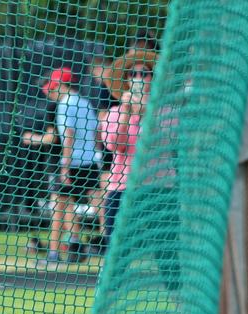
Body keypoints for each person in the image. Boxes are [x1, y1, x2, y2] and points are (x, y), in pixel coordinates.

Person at [21, 66, 103, 265]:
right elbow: (97, 134)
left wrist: (65, 167)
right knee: (98, 205)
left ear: (59, 85)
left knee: (59, 207)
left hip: (72, 162)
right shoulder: (85, 102)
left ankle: (54, 254)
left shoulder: (66, 104)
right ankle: (87, 246)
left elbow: (68, 136)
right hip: (90, 161)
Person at [98, 59, 153, 253]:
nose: (138, 78)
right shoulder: (114, 113)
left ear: (153, 78)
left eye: (144, 73)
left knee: (167, 254)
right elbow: (114, 144)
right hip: (123, 186)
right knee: (116, 251)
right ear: (127, 80)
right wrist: (127, 113)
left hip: (158, 188)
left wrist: (147, 112)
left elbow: (165, 142)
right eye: (133, 74)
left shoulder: (165, 110)